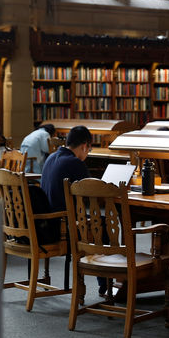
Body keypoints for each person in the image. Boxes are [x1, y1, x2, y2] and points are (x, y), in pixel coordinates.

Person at [40, 125, 109, 296]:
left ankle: (106, 281)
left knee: (96, 221)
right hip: (64, 227)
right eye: (89, 149)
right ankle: (106, 282)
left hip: (46, 223)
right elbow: (94, 192)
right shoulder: (74, 162)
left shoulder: (51, 157)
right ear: (85, 145)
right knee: (104, 225)